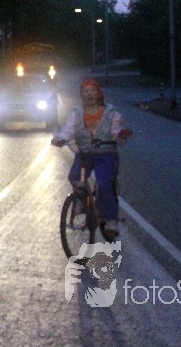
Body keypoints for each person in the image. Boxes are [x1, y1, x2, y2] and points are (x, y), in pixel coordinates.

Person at [51, 78, 133, 239]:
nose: (89, 94)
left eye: (92, 91)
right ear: (82, 94)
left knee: (103, 184)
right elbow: (68, 130)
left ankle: (111, 220)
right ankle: (82, 200)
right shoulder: (77, 113)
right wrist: (59, 138)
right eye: (86, 91)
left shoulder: (111, 113)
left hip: (106, 155)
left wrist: (121, 135)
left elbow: (116, 134)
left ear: (98, 93)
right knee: (75, 177)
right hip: (85, 154)